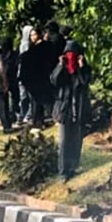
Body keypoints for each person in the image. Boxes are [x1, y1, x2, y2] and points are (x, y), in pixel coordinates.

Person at [51, 41, 92, 180]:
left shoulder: (84, 68)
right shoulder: (62, 68)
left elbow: (85, 81)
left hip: (79, 108)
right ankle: (63, 170)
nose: (71, 58)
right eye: (68, 54)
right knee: (64, 140)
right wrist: (60, 65)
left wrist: (82, 67)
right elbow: (54, 80)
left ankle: (72, 167)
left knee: (76, 139)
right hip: (65, 109)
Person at [19, 26, 56, 127]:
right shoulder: (31, 47)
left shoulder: (45, 46)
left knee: (44, 99)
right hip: (35, 76)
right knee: (36, 100)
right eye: (31, 35)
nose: (32, 37)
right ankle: (38, 121)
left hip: (42, 75)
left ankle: (50, 117)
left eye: (34, 34)